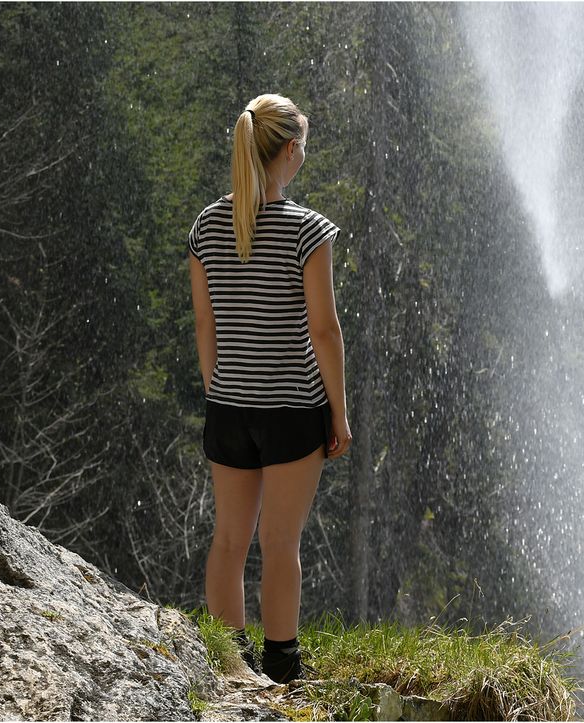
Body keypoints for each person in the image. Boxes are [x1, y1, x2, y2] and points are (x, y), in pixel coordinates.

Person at [187, 93, 352, 684]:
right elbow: (325, 330)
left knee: (229, 541)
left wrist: (219, 388)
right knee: (280, 543)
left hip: (228, 406)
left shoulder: (207, 225)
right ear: (289, 150)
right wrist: (339, 412)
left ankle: (229, 667)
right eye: (302, 143)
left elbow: (206, 324)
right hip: (292, 410)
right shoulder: (308, 231)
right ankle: (281, 667)